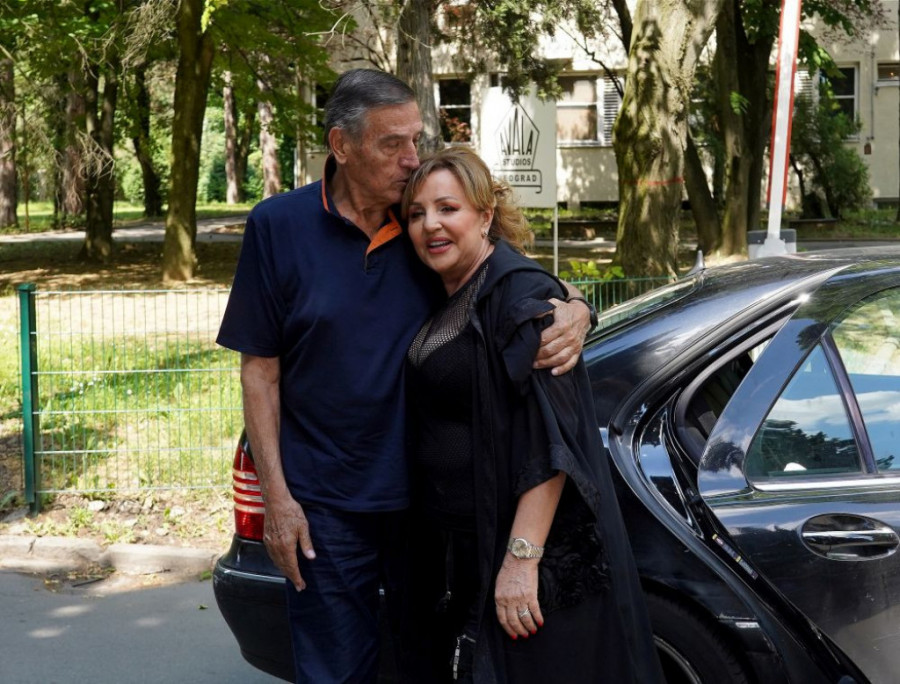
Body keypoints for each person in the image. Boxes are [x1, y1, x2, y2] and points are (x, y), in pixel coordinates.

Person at [216, 69, 593, 684]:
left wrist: (577, 308)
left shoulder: (423, 223)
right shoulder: (277, 226)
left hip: (428, 508)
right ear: (341, 145)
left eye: (415, 139)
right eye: (393, 143)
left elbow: (511, 279)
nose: (412, 158)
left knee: (423, 667)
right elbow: (259, 374)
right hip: (324, 508)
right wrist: (278, 503)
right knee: (336, 671)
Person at [400, 147, 663, 683]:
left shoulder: (520, 295)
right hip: (467, 553)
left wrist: (521, 561)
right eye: (416, 213)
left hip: (528, 565)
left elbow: (552, 442)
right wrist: (580, 299)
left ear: (485, 215)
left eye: (448, 208)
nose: (431, 225)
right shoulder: (454, 288)